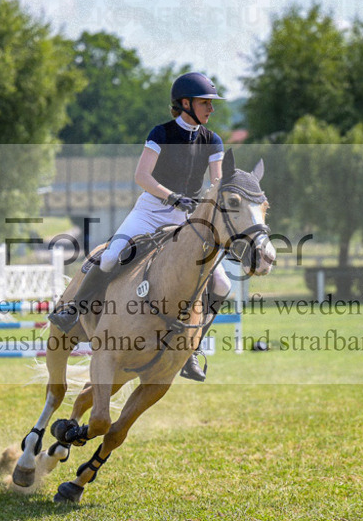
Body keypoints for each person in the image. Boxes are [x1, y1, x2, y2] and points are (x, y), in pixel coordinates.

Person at [48, 71, 232, 382]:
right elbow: (142, 177)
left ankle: (191, 349)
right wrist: (172, 197)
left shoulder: (212, 140)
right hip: (150, 211)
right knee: (110, 256)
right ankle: (73, 311)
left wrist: (214, 201)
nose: (211, 109)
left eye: (211, 104)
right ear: (185, 104)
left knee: (223, 284)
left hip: (187, 219)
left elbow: (216, 182)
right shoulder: (161, 133)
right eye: (205, 103)